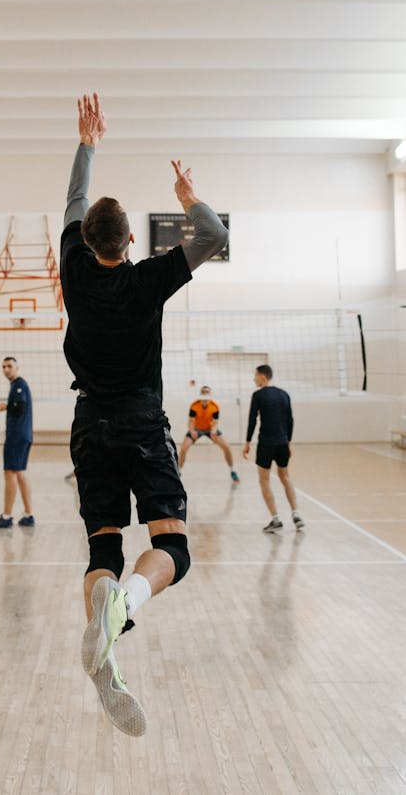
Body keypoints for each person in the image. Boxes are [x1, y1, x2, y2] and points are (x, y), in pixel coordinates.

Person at [62, 93, 228, 736]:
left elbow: (74, 202)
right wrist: (187, 194)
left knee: (103, 545)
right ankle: (123, 608)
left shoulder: (73, 267)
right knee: (172, 548)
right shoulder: (151, 278)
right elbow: (215, 236)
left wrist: (88, 143)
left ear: (85, 240)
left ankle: (102, 631)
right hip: (138, 419)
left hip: (87, 423)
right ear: (132, 239)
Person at [243, 364, 305, 533]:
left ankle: (275, 519)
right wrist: (289, 442)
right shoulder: (284, 394)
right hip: (283, 442)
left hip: (266, 443)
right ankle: (296, 514)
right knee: (285, 476)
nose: (253, 378)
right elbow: (290, 420)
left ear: (263, 376)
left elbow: (252, 420)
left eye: (255, 375)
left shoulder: (258, 395)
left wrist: (247, 442)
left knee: (264, 479)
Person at [0, 357, 34, 529]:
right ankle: (29, 514)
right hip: (23, 435)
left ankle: (7, 516)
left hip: (17, 436)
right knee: (20, 474)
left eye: (9, 366)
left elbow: (20, 408)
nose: (6, 369)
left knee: (10, 473)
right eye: (4, 367)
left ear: (17, 367)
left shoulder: (19, 384)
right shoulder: (16, 385)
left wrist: (5, 406)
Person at [178, 385, 240, 483]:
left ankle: (232, 471)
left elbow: (215, 422)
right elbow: (190, 421)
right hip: (196, 429)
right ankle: (179, 471)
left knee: (226, 447)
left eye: (207, 392)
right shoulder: (195, 405)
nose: (205, 393)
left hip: (210, 429)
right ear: (201, 394)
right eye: (203, 392)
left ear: (210, 394)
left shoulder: (214, 406)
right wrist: (192, 431)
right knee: (183, 449)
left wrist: (214, 430)